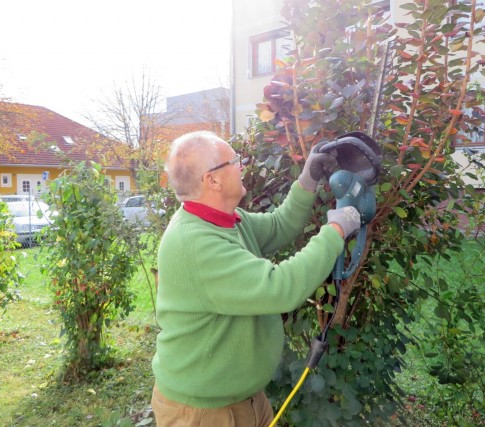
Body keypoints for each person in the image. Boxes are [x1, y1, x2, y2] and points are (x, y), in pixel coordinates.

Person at [151, 131, 361, 427]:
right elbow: (281, 287)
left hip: (244, 399)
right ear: (212, 180)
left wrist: (307, 181)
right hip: (202, 413)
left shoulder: (224, 220)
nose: (243, 166)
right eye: (234, 161)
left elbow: (279, 225)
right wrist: (336, 231)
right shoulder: (195, 243)